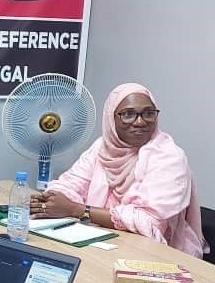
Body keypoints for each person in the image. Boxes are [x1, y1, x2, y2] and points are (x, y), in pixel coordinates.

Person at [31, 82, 205, 258]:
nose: (140, 122)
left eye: (148, 113)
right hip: (103, 244)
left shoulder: (169, 157)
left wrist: (76, 209)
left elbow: (147, 223)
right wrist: (49, 200)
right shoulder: (102, 148)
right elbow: (71, 183)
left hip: (157, 257)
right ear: (111, 118)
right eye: (128, 114)